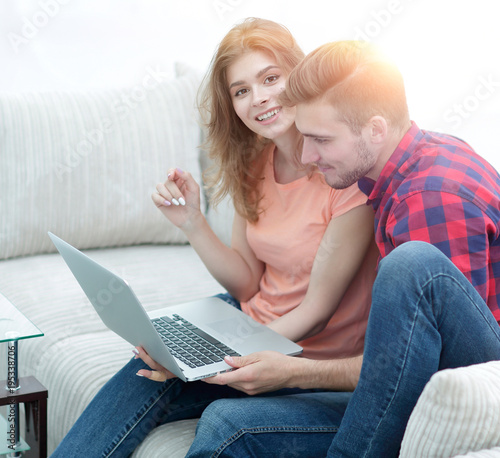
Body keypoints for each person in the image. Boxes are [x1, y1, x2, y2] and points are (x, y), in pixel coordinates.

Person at [51, 21, 378, 457]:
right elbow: (246, 284)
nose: (258, 98)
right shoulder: (255, 162)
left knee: (221, 419)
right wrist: (192, 223)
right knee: (146, 366)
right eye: (241, 90)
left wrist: (222, 355)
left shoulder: (344, 171)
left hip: (299, 356)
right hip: (248, 325)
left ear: (298, 76)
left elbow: (316, 311)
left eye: (270, 78)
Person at [184, 40, 500, 457]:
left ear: (375, 129)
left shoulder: (427, 198)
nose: (309, 156)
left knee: (410, 264)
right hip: (431, 362)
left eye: (320, 140)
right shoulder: (407, 164)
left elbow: (429, 369)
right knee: (212, 402)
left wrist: (297, 373)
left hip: (474, 378)